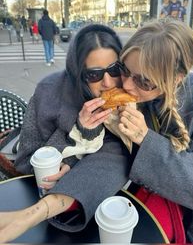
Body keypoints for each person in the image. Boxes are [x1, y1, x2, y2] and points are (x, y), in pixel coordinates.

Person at [0, 24, 130, 243]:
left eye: (115, 69)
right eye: (94, 74)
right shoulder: (48, 92)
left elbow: (118, 154)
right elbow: (25, 162)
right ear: (79, 73)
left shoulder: (130, 93)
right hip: (42, 201)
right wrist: (78, 130)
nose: (108, 83)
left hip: (103, 206)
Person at [116, 18, 193, 243]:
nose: (127, 86)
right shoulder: (132, 95)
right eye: (124, 70)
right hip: (142, 215)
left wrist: (145, 139)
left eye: (144, 81)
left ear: (176, 79)